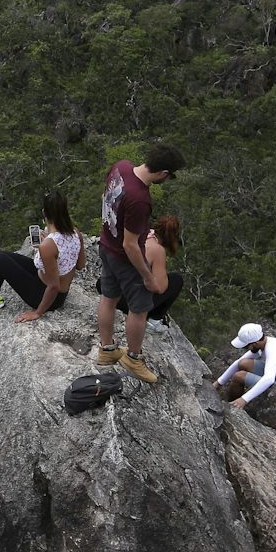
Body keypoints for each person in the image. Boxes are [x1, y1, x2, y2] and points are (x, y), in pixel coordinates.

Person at [93, 143, 186, 382]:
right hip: (125, 258)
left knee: (108, 299)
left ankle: (107, 351)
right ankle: (133, 358)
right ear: (164, 173)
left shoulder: (120, 167)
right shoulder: (140, 199)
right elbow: (130, 245)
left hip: (106, 245)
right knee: (140, 309)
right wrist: (146, 276)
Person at [0, 192, 87, 321]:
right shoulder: (75, 233)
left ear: (44, 213)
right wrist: (50, 249)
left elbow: (54, 286)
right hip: (49, 283)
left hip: (47, 296)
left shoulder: (49, 245)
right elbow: (80, 265)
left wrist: (37, 312)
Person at [214, 323, 276, 410]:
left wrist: (244, 399)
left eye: (246, 346)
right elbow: (239, 362)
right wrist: (218, 382)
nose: (246, 349)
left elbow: (269, 379)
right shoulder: (264, 343)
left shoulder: (273, 349)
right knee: (243, 363)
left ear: (255, 343)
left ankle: (232, 406)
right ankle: (232, 402)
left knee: (239, 376)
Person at [140, 214, 184, 323]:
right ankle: (154, 319)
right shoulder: (158, 250)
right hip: (130, 299)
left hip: (112, 288)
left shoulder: (144, 234)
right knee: (176, 280)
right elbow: (161, 288)